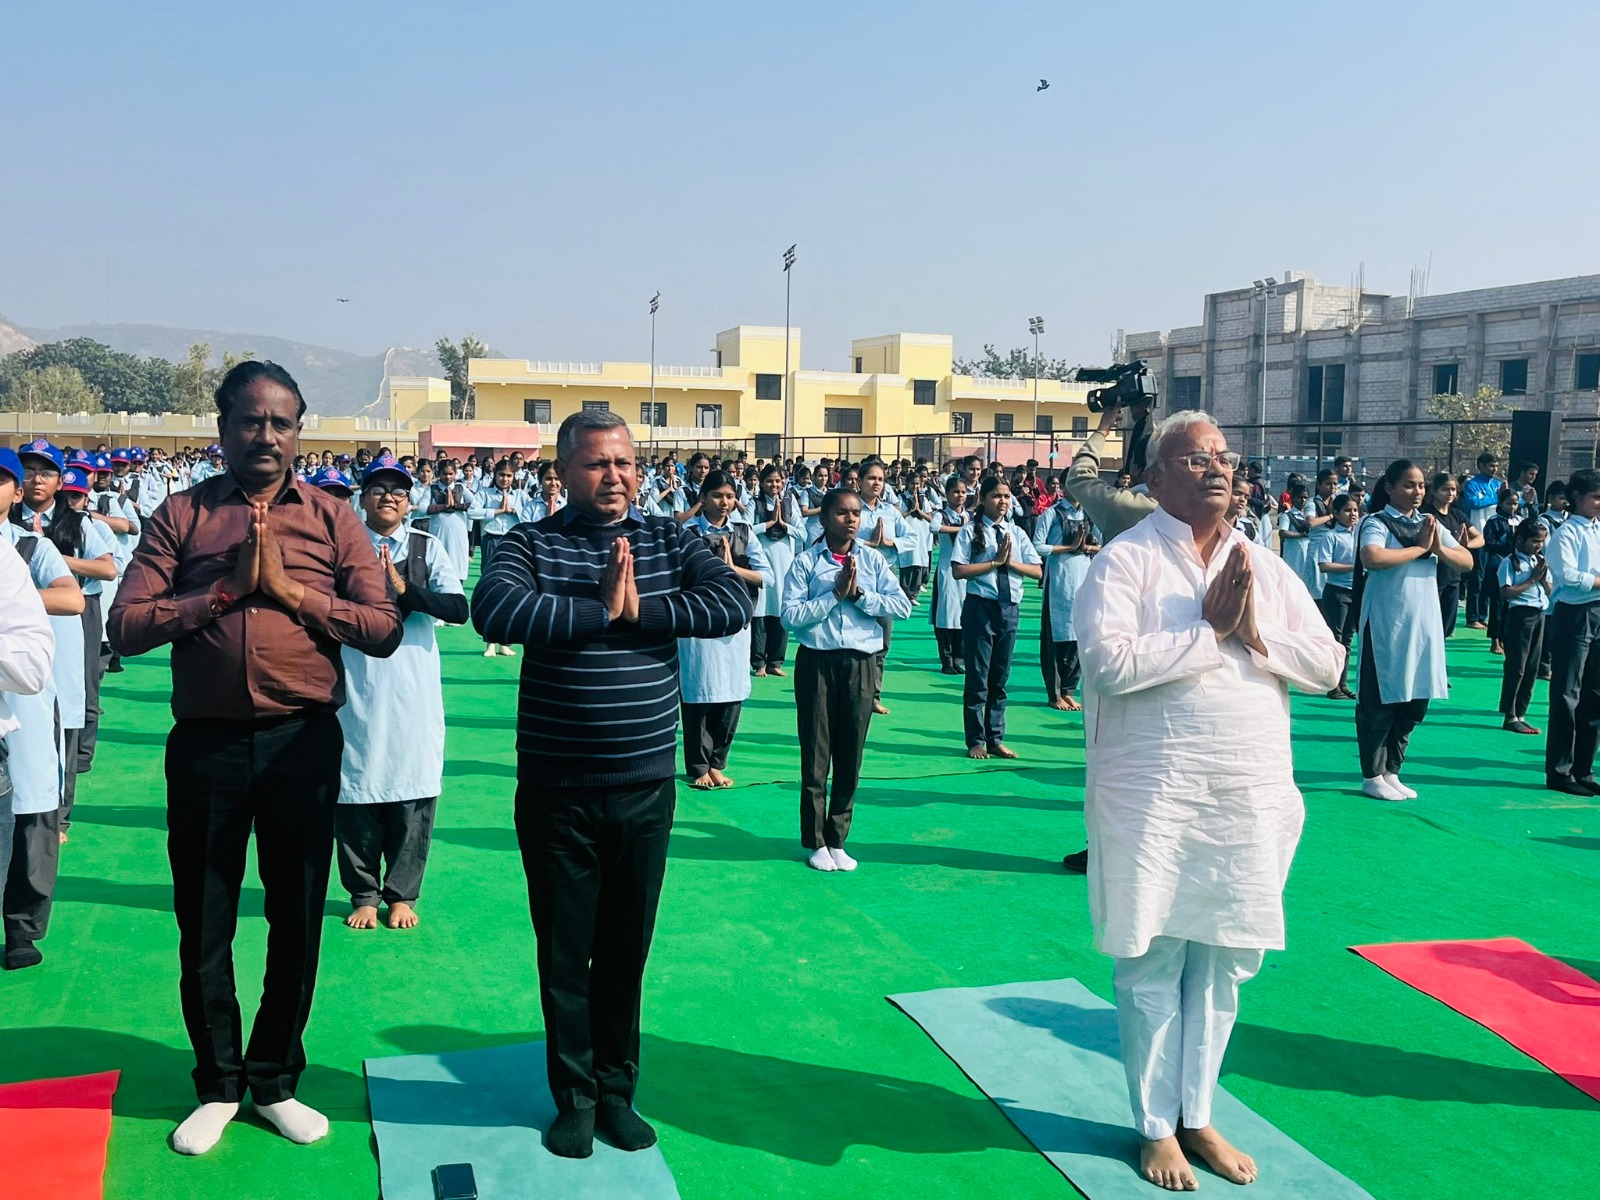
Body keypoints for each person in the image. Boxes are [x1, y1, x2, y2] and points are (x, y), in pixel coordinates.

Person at [107, 361, 403, 1156]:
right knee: (204, 919)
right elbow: (125, 627)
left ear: (299, 430)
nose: (266, 435)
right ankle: (217, 1082)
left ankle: (273, 1078)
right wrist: (227, 594)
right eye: (250, 420)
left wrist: (294, 593)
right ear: (223, 430)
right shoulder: (181, 516)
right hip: (206, 747)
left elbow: (383, 628)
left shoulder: (334, 520)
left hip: (300, 742)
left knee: (296, 913)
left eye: (281, 422)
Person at [1074, 411, 1344, 1192]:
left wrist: (1251, 630)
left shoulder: (1263, 562)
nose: (1216, 468)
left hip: (1250, 790)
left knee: (1225, 958)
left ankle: (1198, 1112)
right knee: (1153, 954)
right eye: (1196, 459)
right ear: (1154, 480)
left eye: (1224, 456)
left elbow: (1326, 664)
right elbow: (1107, 667)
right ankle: (1155, 1125)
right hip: (1154, 792)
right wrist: (1206, 633)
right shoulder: (1125, 562)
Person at [471, 410, 750, 1159]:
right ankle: (575, 1096)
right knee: (566, 952)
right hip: (558, 789)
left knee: (626, 949)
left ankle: (617, 1089)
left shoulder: (669, 539)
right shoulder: (530, 542)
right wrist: (601, 608)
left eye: (624, 462)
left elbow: (731, 603)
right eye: (596, 464)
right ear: (562, 471)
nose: (614, 476)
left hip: (644, 787)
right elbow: (493, 609)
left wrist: (645, 609)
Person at [336, 455, 468, 931]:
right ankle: (364, 893)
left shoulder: (426, 546)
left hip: (412, 687)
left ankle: (402, 894)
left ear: (409, 501)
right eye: (378, 489)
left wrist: (406, 590)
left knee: (413, 788)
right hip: (357, 683)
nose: (388, 497)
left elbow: (457, 608)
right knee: (355, 786)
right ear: (362, 498)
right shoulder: (344, 547)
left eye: (398, 490)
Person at [781, 487, 912, 872]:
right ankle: (816, 840)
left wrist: (859, 596)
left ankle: (838, 838)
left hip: (860, 663)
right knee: (817, 752)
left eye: (856, 513)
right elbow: (790, 615)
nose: (851, 519)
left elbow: (901, 605)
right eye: (842, 512)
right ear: (823, 518)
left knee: (851, 752)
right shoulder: (806, 563)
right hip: (817, 664)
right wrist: (834, 596)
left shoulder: (872, 561)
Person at [12, 444, 116, 834]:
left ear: (60, 481)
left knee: (66, 710)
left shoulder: (77, 523)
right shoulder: (8, 522)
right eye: (28, 470)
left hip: (67, 621)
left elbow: (106, 569)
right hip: (17, 627)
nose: (36, 478)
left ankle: (60, 815)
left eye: (46, 472)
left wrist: (54, 556)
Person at [1355, 460, 1472, 802]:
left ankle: (1392, 770)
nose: (1417, 491)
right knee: (1381, 699)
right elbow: (1372, 558)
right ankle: (1372, 774)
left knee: (1415, 699)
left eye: (1421, 485)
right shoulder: (1376, 522)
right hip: (1386, 623)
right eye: (1409, 485)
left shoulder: (1429, 524)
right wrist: (1421, 549)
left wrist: (1437, 547)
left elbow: (1466, 560)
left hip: (1423, 625)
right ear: (1389, 487)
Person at [0, 449, 71, 970]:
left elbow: (69, 598)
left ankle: (22, 928)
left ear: (16, 493)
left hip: (22, 695)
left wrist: (19, 597)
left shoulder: (26, 549)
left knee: (31, 809)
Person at [679, 470, 771, 789]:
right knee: (699, 693)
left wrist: (733, 569)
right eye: (717, 495)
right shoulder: (687, 534)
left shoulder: (744, 533)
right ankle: (698, 765)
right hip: (698, 624)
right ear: (702, 498)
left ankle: (718, 762)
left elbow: (766, 576)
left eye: (730, 496)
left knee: (731, 693)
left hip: (735, 624)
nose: (724, 502)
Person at [950, 476, 1043, 758]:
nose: (1002, 501)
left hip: (1009, 608)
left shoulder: (1016, 533)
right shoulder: (970, 531)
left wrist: (1010, 563)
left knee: (1000, 677)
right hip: (981, 607)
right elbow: (958, 570)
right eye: (996, 496)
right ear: (983, 498)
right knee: (978, 676)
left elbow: (1038, 571)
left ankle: (996, 737)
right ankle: (976, 740)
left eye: (1006, 496)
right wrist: (993, 563)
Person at [1544, 468, 1600, 795]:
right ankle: (1559, 772)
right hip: (1574, 614)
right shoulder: (1566, 533)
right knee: (1567, 693)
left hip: (1597, 611)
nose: (1599, 503)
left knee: (1594, 694)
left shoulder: (1597, 530)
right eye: (1595, 497)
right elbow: (1567, 575)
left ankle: (1584, 769)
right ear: (1576, 498)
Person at [469, 461, 535, 657]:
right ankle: (490, 642)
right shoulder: (485, 494)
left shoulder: (521, 496)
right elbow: (472, 511)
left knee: (511, 590)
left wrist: (515, 511)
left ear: (514, 477)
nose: (505, 479)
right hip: (491, 540)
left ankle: (505, 642)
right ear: (495, 475)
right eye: (501, 475)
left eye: (508, 476)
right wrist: (496, 511)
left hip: (514, 542)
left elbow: (530, 518)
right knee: (491, 589)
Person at [858, 461, 904, 716]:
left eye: (880, 479)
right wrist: (868, 543)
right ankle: (855, 692)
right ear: (860, 481)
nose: (876, 483)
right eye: (872, 478)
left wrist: (888, 541)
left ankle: (874, 695)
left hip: (885, 578)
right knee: (857, 639)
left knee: (882, 640)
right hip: (858, 579)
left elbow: (911, 538)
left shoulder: (891, 512)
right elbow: (837, 536)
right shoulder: (851, 509)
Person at [747, 464, 803, 677]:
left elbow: (803, 534)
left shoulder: (790, 505)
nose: (774, 485)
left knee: (780, 610)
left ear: (783, 483)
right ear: (762, 483)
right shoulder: (755, 503)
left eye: (778, 481)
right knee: (760, 612)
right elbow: (745, 529)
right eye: (769, 480)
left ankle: (775, 662)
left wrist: (784, 525)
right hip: (761, 563)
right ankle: (758, 662)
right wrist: (768, 524)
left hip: (784, 564)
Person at [1497, 520, 1548, 736]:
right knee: (1516, 666)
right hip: (1520, 615)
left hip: (1539, 614)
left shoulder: (1540, 561)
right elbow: (1505, 593)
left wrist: (1543, 580)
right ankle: (1509, 715)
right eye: (1535, 541)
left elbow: (1549, 589)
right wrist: (1533, 579)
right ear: (1520, 540)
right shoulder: (1510, 562)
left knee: (1532, 668)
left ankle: (1521, 713)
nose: (1539, 545)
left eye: (1542, 541)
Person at [1312, 493, 1360, 699]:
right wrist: (1355, 567)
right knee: (1336, 640)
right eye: (1348, 510)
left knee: (1348, 641)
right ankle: (1331, 685)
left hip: (1355, 592)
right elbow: (1324, 565)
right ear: (1336, 513)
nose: (1353, 514)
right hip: (1337, 593)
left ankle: (1342, 683)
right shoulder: (1330, 536)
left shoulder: (1360, 535)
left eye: (1356, 510)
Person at [1424, 473, 1481, 638]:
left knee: (1446, 628)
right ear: (1433, 491)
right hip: (1433, 575)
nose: (1450, 494)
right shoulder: (1426, 515)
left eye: (1453, 490)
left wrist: (1463, 546)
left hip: (1453, 576)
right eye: (1444, 489)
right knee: (1429, 626)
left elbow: (1479, 538)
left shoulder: (1457, 515)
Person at [931, 478, 970, 674]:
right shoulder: (941, 514)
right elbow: (934, 527)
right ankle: (946, 659)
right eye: (955, 492)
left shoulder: (969, 516)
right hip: (946, 570)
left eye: (963, 492)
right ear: (946, 494)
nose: (960, 495)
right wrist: (960, 529)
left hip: (965, 570)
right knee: (945, 614)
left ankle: (959, 657)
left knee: (963, 612)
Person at [1462, 451, 1503, 628]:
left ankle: (1482, 615)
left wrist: (1525, 500)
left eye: (1496, 465)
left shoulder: (1498, 484)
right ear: (1480, 466)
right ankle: (1472, 617)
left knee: (1489, 579)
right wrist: (1497, 497)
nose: (1494, 469)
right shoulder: (1472, 485)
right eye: (1490, 465)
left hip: (1496, 538)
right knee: (1477, 578)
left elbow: (1511, 503)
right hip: (1478, 536)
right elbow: (1473, 503)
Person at [1481, 487, 1522, 655]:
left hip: (1516, 567)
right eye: (1509, 503)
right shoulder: (1494, 521)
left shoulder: (1520, 521)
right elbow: (1488, 543)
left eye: (1515, 503)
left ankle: (1506, 638)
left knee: (1510, 606)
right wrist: (1508, 546)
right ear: (1501, 503)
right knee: (1497, 605)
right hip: (1497, 565)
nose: (1512, 507)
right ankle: (1494, 640)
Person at [426, 459, 472, 580]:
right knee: (439, 561)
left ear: (455, 473)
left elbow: (475, 504)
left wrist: (456, 506)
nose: (448, 477)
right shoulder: (432, 489)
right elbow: (422, 508)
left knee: (458, 563)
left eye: (451, 474)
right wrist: (443, 507)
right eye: (444, 474)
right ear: (438, 474)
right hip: (439, 531)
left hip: (458, 532)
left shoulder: (460, 487)